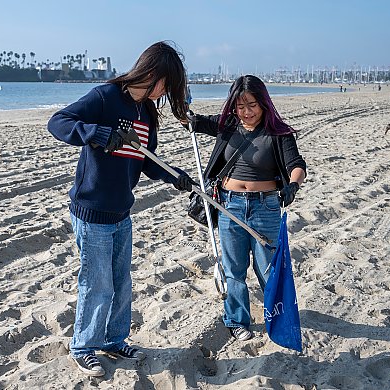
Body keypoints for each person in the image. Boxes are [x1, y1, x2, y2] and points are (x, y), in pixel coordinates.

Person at [47, 41, 194, 376]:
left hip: (121, 213)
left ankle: (113, 341)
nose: (164, 93)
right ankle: (83, 346)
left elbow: (146, 161)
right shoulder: (105, 97)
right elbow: (58, 122)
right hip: (92, 211)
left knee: (120, 282)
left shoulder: (147, 115)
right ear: (153, 74)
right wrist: (95, 133)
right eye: (166, 85)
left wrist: (175, 177)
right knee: (96, 284)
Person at [184, 75, 307, 342]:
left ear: (263, 103)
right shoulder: (228, 124)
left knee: (268, 270)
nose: (246, 112)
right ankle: (238, 321)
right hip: (230, 206)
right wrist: (187, 116)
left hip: (265, 208)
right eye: (240, 106)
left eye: (251, 105)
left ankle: (277, 315)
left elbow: (297, 165)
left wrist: (292, 186)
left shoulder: (279, 133)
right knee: (234, 269)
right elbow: (195, 122)